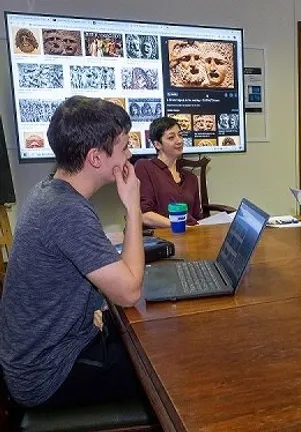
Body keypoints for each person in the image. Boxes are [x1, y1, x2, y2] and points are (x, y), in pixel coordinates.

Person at [0, 96, 145, 408]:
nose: (130, 155)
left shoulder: (50, 191)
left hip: (37, 359)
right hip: (49, 376)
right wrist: (133, 207)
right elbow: (130, 292)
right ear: (95, 157)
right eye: (123, 147)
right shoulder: (67, 211)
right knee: (163, 364)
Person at [135, 116, 203, 228]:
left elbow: (197, 217)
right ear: (157, 144)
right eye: (171, 137)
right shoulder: (144, 167)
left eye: (180, 135)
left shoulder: (191, 178)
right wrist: (180, 226)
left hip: (190, 236)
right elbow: (144, 214)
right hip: (160, 239)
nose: (179, 141)